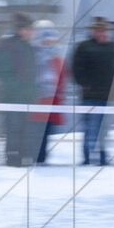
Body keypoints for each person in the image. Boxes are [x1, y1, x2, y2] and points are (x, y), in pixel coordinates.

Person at [72, 17, 114, 166]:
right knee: (91, 129)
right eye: (99, 30)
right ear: (93, 31)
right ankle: (88, 159)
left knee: (104, 131)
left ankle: (102, 159)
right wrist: (85, 84)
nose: (102, 33)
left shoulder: (112, 49)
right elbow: (76, 69)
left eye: (104, 31)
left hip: (108, 98)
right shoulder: (83, 47)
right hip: (90, 97)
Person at [0, 13, 38, 167]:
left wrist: (34, 89)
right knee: (14, 130)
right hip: (12, 98)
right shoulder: (7, 44)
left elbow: (32, 74)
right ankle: (13, 162)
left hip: (27, 98)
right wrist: (18, 88)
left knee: (26, 131)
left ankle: (24, 160)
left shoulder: (28, 47)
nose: (33, 32)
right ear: (22, 29)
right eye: (31, 29)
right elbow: (2, 72)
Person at [31, 24, 66, 164]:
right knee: (36, 130)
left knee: (47, 131)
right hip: (37, 99)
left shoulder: (57, 58)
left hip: (52, 100)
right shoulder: (34, 56)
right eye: (47, 40)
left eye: (52, 40)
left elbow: (62, 77)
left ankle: (42, 158)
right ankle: (35, 158)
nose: (49, 43)